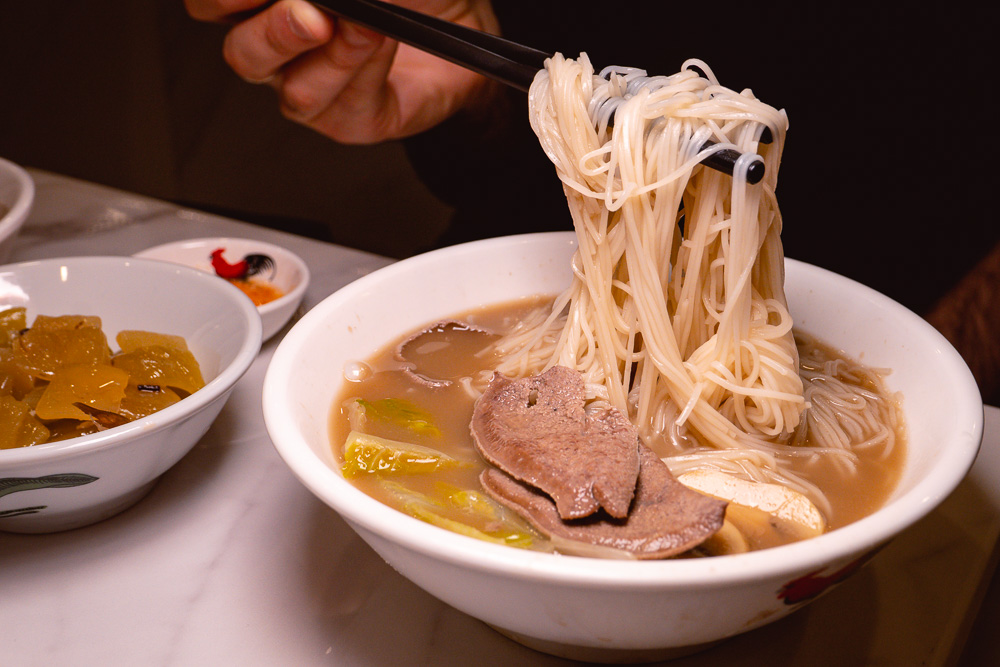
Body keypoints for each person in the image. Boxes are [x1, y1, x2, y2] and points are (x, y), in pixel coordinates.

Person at [184, 0, 998, 404]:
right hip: (543, 271)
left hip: (927, 298)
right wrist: (475, 84)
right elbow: (522, 112)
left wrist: (933, 382)